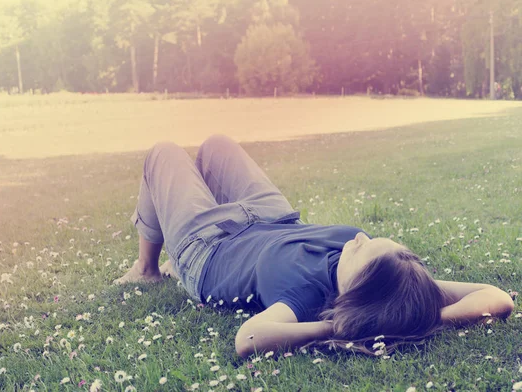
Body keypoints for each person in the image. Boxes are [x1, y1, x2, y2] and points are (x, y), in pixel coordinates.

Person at [114, 134, 515, 359]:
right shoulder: (400, 285)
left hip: (212, 248)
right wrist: (413, 321)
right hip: (273, 219)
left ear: (354, 293)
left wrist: (343, 329)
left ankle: (149, 269)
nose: (359, 238)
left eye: (362, 251)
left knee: (162, 153)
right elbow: (497, 298)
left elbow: (248, 339)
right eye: (371, 241)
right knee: (217, 146)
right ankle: (168, 260)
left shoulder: (308, 297)